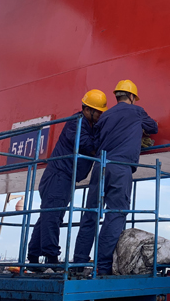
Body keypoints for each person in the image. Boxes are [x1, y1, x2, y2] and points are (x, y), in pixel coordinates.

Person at [73, 80, 158, 275]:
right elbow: (153, 127)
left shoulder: (105, 116)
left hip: (99, 167)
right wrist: (139, 132)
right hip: (120, 168)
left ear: (116, 96)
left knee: (91, 214)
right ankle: (103, 266)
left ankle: (78, 264)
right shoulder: (137, 111)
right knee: (116, 214)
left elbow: (96, 141)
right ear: (132, 97)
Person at [27, 89, 108, 269]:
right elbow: (87, 145)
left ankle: (33, 257)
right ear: (87, 109)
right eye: (98, 112)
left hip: (64, 177)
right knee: (52, 216)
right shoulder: (76, 123)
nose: (100, 115)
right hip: (58, 176)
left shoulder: (89, 125)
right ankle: (51, 258)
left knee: (48, 215)